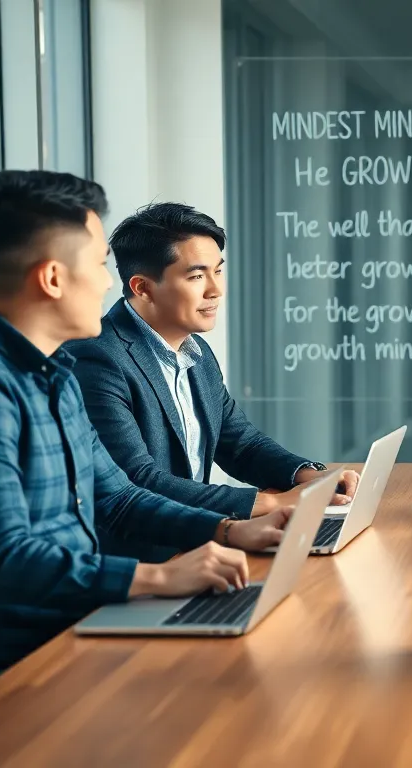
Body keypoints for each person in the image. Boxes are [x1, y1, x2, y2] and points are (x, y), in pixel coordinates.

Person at [0, 171, 291, 680]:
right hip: (13, 677)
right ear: (53, 278)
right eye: (100, 264)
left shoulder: (50, 369)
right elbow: (0, 562)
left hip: (81, 632)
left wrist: (230, 530)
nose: (109, 283)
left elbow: (118, 498)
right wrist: (158, 576)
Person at [65, 202, 358, 563]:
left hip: (199, 549)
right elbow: (138, 480)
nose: (216, 290)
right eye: (196, 276)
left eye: (218, 271)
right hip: (141, 562)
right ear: (142, 288)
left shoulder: (194, 350)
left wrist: (307, 476)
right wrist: (270, 503)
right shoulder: (97, 358)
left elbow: (240, 443)